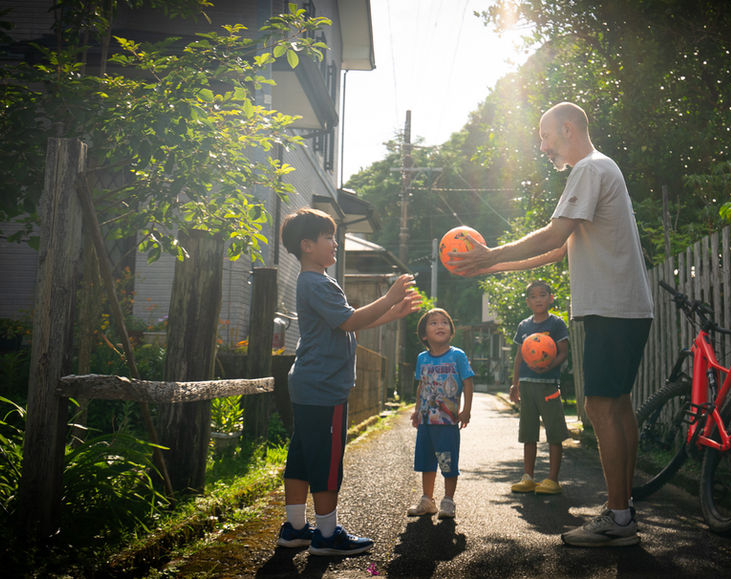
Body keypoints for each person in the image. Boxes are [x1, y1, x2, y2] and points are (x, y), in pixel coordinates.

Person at [451, 102, 654, 547]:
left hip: (611, 309)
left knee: (600, 408)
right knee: (617, 407)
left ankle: (619, 519)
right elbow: (557, 250)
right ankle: (623, 511)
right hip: (627, 309)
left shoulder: (588, 168)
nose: (542, 146)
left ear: (567, 129)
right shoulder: (603, 170)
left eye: (544, 136)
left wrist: (490, 253)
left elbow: (551, 234)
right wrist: (493, 268)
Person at [276, 207, 421, 556]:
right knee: (326, 461)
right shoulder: (318, 283)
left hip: (309, 383)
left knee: (301, 456)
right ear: (307, 245)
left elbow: (348, 323)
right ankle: (326, 534)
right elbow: (349, 321)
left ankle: (295, 529)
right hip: (324, 387)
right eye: (329, 237)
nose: (336, 243)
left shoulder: (313, 282)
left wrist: (392, 312)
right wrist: (389, 297)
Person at [406, 308, 476, 519]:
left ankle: (448, 501)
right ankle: (427, 500)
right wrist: (417, 409)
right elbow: (421, 386)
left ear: (451, 331)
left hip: (447, 422)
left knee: (448, 462)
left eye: (444, 322)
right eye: (434, 323)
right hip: (426, 422)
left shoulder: (457, 355)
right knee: (426, 462)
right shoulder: (422, 358)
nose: (440, 326)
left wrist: (467, 409)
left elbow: (468, 382)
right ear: (424, 334)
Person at [509, 280, 570, 496]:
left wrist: (548, 366)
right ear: (528, 302)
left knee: (554, 431)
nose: (538, 299)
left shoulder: (556, 324)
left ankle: (552, 479)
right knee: (528, 432)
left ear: (550, 298)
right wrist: (515, 383)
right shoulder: (524, 326)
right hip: (527, 385)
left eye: (542, 295)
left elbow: (563, 351)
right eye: (533, 296)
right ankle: (528, 477)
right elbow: (519, 357)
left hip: (548, 385)